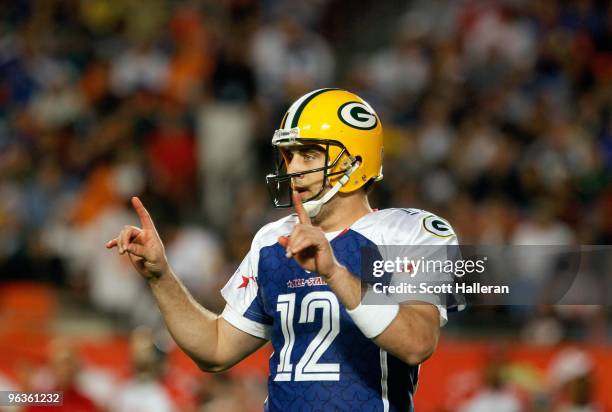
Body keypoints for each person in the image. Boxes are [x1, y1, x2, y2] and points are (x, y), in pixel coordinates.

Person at [106, 88, 460, 411]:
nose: (293, 168)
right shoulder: (272, 240)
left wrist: (335, 272)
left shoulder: (409, 232)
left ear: (356, 160)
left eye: (308, 155)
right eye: (288, 156)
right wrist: (161, 276)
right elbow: (215, 349)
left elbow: (417, 343)